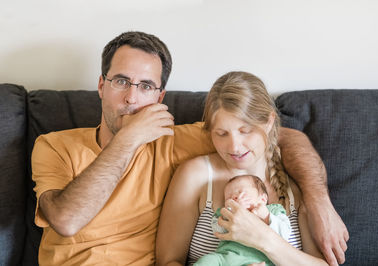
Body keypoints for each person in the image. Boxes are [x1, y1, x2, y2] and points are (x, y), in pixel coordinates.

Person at [31, 31, 347, 265]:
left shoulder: (180, 141)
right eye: (121, 81)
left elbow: (281, 138)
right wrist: (129, 138)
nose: (131, 98)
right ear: (101, 85)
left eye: (145, 87)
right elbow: (66, 220)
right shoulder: (54, 145)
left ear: (160, 97)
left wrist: (319, 202)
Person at [156, 71, 343, 266]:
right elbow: (168, 261)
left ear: (269, 122)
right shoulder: (195, 176)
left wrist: (262, 238)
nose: (234, 147)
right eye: (221, 134)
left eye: (245, 131)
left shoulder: (297, 178)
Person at [194, 174, 291, 266]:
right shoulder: (224, 213)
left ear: (263, 199)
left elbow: (285, 233)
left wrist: (266, 217)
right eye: (229, 197)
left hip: (262, 259)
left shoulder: (273, 211)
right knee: (208, 260)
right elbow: (217, 231)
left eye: (241, 193)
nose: (234, 198)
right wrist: (226, 217)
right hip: (227, 257)